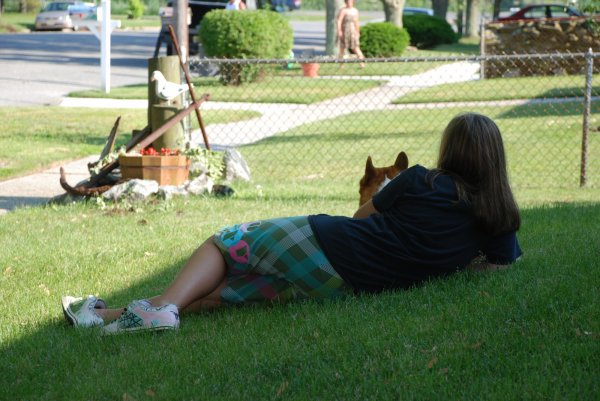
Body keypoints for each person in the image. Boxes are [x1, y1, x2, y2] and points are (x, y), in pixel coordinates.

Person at [62, 113, 522, 334]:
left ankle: (161, 310)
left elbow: (360, 216)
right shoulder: (499, 216)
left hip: (332, 242)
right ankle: (100, 317)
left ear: (451, 149)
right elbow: (498, 267)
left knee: (229, 245)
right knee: (232, 290)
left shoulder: (422, 179)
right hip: (345, 284)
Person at [336, 0, 365, 68]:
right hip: (345, 30)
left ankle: (362, 63)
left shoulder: (355, 11)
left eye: (351, 1)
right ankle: (341, 65)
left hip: (353, 31)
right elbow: (339, 21)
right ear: (345, 2)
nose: (349, 3)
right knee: (342, 49)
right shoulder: (343, 10)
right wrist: (339, 31)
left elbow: (356, 22)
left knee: (356, 48)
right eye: (348, 2)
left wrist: (357, 32)